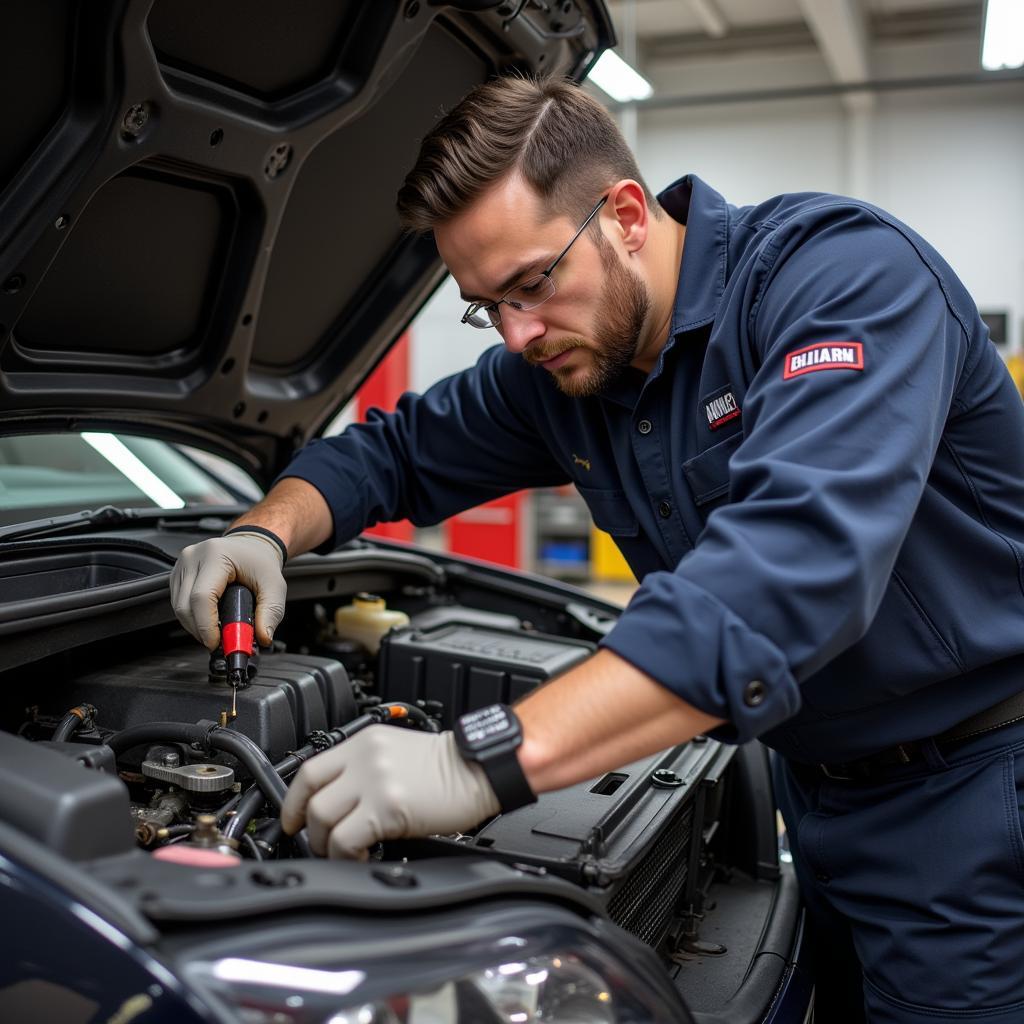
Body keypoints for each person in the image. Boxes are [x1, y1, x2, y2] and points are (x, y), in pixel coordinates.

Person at [170, 76, 1024, 1022]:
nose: (518, 334)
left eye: (532, 283)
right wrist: (264, 529)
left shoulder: (839, 279)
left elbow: (787, 576)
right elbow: (392, 452)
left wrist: (471, 762)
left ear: (624, 214)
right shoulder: (562, 369)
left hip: (977, 794)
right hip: (814, 794)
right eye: (485, 306)